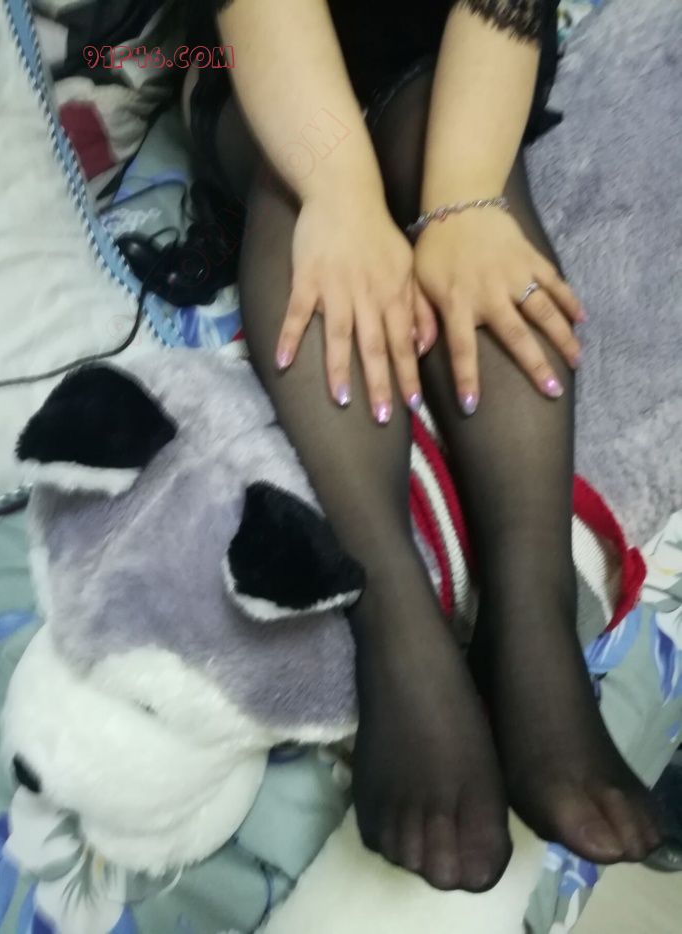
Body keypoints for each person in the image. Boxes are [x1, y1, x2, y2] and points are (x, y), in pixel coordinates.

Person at [181, 0, 661, 893]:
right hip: (258, 56)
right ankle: (395, 617)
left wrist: (465, 203)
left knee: (475, 189)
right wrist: (343, 198)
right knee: (298, 190)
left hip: (449, 45)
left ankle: (532, 615)